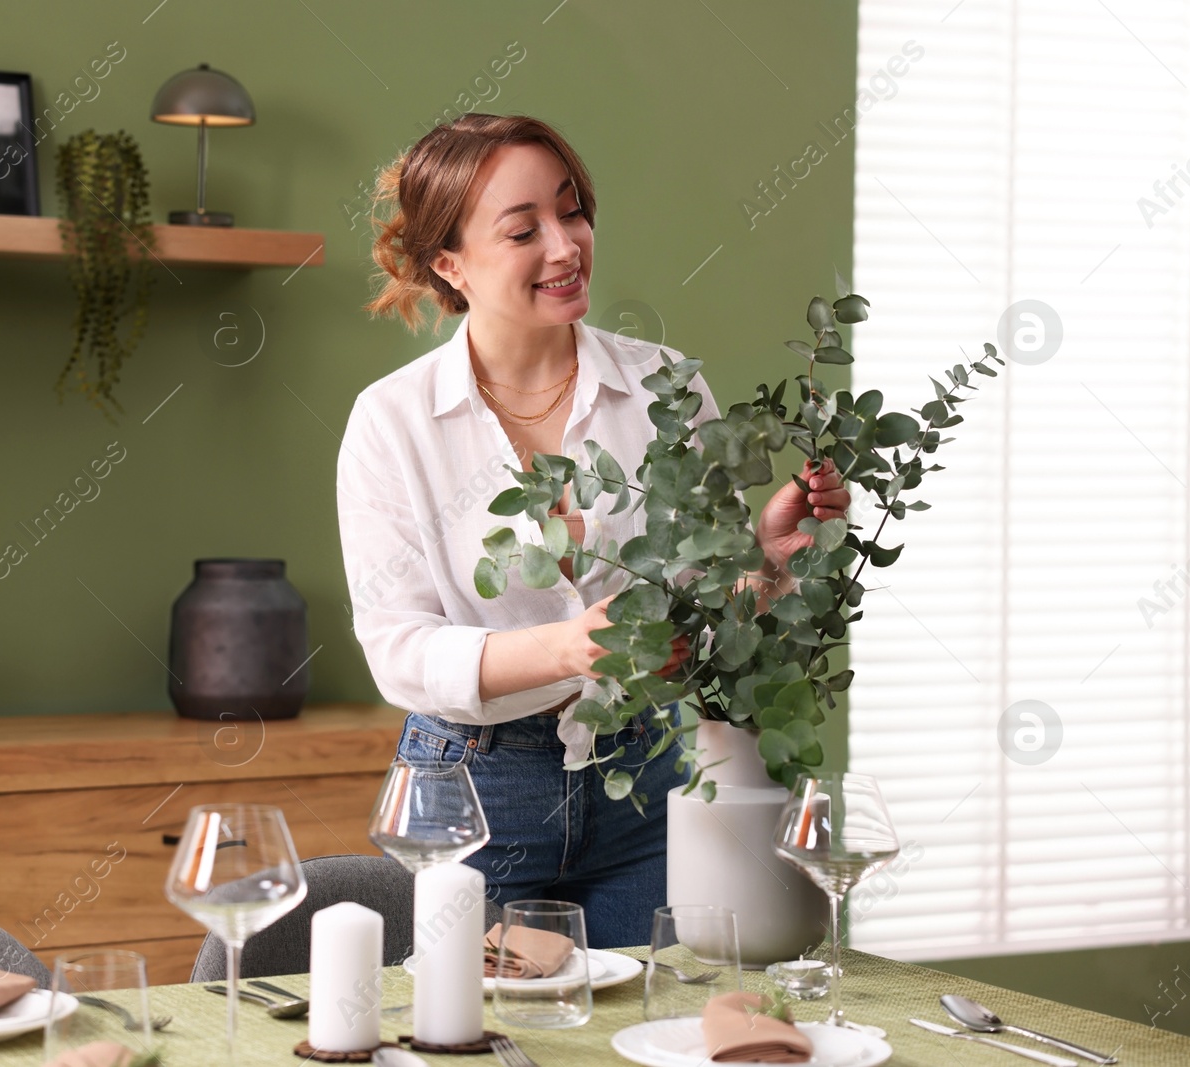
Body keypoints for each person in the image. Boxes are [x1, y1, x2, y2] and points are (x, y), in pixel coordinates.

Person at [335, 114, 850, 947]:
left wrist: (766, 558)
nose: (566, 245)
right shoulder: (392, 421)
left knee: (655, 1020)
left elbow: (706, 620)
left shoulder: (663, 387)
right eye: (523, 229)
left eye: (572, 212)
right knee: (482, 1034)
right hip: (471, 790)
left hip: (642, 779)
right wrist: (570, 648)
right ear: (449, 263)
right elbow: (397, 645)